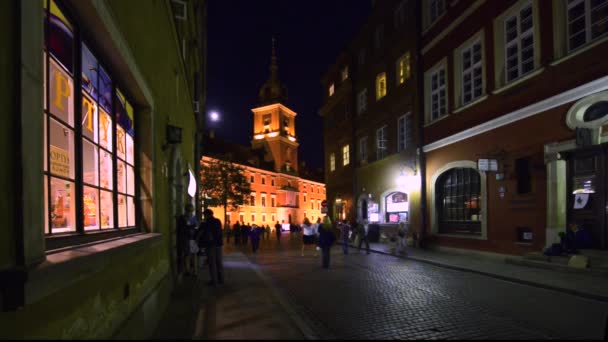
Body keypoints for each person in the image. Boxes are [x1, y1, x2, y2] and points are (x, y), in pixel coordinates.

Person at [199, 209, 224, 287]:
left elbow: (203, 233)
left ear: (207, 215)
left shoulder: (206, 223)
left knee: (212, 263)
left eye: (204, 215)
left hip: (211, 245)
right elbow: (220, 232)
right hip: (219, 244)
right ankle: (221, 279)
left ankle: (214, 281)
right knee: (219, 262)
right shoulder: (218, 221)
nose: (204, 217)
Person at [176, 203, 198, 276]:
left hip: (190, 239)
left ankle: (191, 271)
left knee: (190, 255)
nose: (190, 212)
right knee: (188, 255)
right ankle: (189, 270)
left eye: (191, 210)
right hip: (187, 239)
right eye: (189, 210)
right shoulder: (184, 218)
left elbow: (195, 227)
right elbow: (182, 228)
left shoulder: (189, 218)